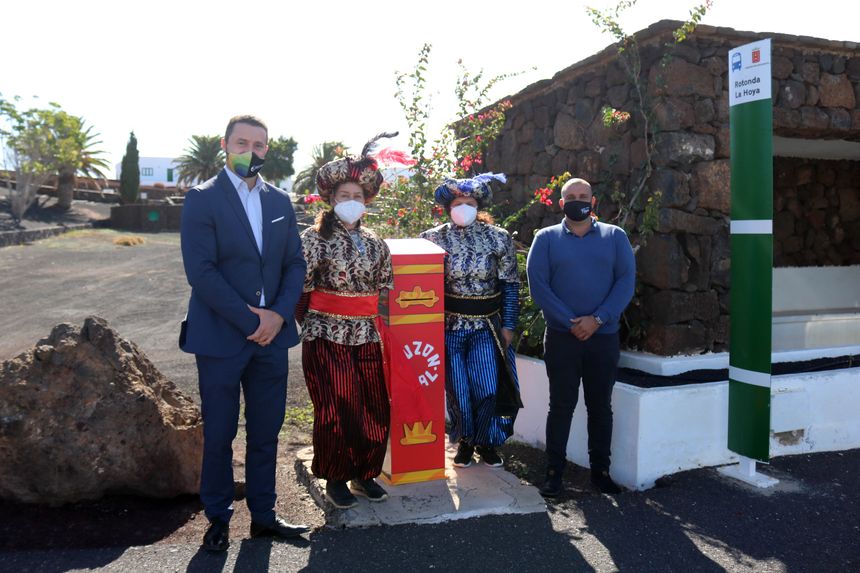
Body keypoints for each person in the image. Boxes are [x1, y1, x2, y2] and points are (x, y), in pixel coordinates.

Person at [180, 115, 309, 552]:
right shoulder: (202, 200)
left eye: (258, 144)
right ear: (224, 144)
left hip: (271, 338)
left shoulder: (280, 202)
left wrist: (276, 315)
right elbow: (201, 271)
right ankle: (218, 518)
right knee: (219, 433)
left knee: (266, 432)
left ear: (266, 150)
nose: (249, 151)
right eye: (241, 142)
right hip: (220, 337)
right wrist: (251, 320)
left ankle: (264, 517)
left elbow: (295, 264)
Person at [295, 133, 395, 509]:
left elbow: (383, 291)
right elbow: (300, 292)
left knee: (372, 404)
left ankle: (365, 473)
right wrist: (310, 324)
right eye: (343, 196)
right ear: (331, 200)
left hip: (366, 334)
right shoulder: (313, 239)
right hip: (325, 333)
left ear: (366, 201)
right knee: (336, 404)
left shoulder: (375, 242)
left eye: (357, 197)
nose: (350, 202)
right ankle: (336, 476)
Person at [526, 177, 635, 496]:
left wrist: (598, 319)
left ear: (593, 201)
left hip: (604, 338)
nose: (577, 200)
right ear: (561, 204)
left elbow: (626, 281)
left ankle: (600, 473)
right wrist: (571, 322)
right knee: (561, 406)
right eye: (570, 197)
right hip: (562, 338)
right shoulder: (545, 239)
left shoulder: (615, 237)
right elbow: (539, 286)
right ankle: (553, 474)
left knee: (601, 406)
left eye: (583, 196)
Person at [419, 172, 522, 469]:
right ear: (448, 206)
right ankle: (465, 441)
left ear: (479, 205)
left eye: (470, 201)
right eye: (458, 202)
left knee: (487, 387)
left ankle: (487, 442)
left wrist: (509, 326)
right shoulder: (431, 239)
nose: (464, 206)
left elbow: (510, 286)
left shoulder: (498, 237)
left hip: (486, 326)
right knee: (459, 391)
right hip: (449, 326)